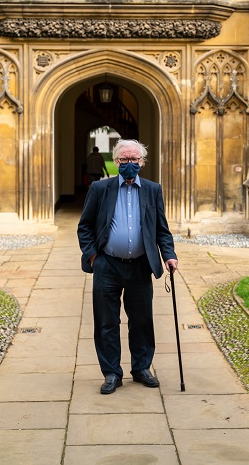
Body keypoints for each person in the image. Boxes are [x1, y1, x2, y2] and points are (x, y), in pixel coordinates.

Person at [77, 139, 178, 394]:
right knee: (106, 321)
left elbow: (161, 230)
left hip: (140, 266)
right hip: (107, 265)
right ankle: (112, 372)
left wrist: (169, 255)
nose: (129, 164)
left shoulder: (153, 190)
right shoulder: (101, 188)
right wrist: (93, 257)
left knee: (142, 320)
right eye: (124, 160)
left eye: (134, 160)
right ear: (116, 161)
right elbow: (85, 226)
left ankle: (141, 368)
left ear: (142, 162)